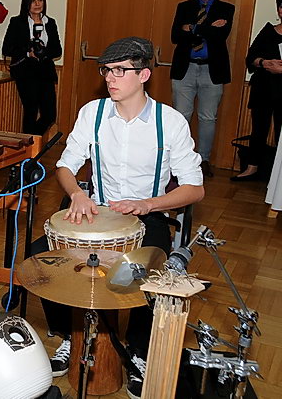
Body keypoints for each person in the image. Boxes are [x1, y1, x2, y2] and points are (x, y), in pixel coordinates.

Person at [33, 37, 204, 399]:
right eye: (107, 70)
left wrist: (148, 204)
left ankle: (139, 350)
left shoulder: (170, 122)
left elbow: (194, 188)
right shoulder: (92, 113)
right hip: (96, 210)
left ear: (143, 75)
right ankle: (70, 336)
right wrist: (77, 194)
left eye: (120, 70)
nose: (110, 78)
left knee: (145, 270)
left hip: (148, 216)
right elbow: (65, 166)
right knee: (40, 258)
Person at [170, 0, 235, 177]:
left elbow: (220, 36)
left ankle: (203, 159)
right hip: (185, 68)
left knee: (208, 117)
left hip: (211, 70)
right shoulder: (185, 7)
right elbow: (175, 36)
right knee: (181, 116)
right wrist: (208, 27)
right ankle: (178, 159)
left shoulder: (226, 9)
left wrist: (192, 27)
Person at [232, 0, 282, 181]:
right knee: (258, 130)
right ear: (278, 9)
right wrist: (264, 63)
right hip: (263, 89)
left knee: (280, 134)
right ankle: (252, 167)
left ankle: (277, 176)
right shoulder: (268, 31)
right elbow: (250, 57)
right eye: (281, 7)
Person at [2, 0, 62, 136]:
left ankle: (31, 141)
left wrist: (44, 52)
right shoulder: (17, 22)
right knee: (31, 111)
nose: (37, 4)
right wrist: (28, 52)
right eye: (33, 1)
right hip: (25, 72)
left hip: (45, 72)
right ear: (26, 3)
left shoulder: (50, 22)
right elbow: (7, 48)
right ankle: (30, 147)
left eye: (40, 0)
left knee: (49, 115)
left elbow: (57, 50)